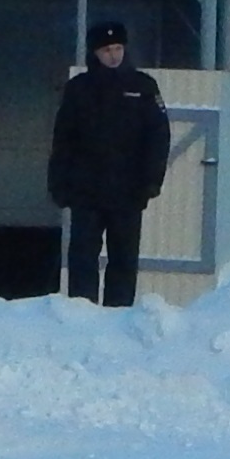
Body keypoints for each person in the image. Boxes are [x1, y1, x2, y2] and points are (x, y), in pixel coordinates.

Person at [45, 18, 172, 304]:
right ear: (95, 54)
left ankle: (118, 318)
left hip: (128, 191)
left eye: (117, 48)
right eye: (106, 50)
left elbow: (159, 137)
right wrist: (58, 182)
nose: (113, 55)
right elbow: (63, 139)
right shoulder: (79, 89)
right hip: (86, 191)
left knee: (124, 260)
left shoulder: (143, 86)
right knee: (82, 259)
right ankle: (82, 316)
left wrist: (152, 180)